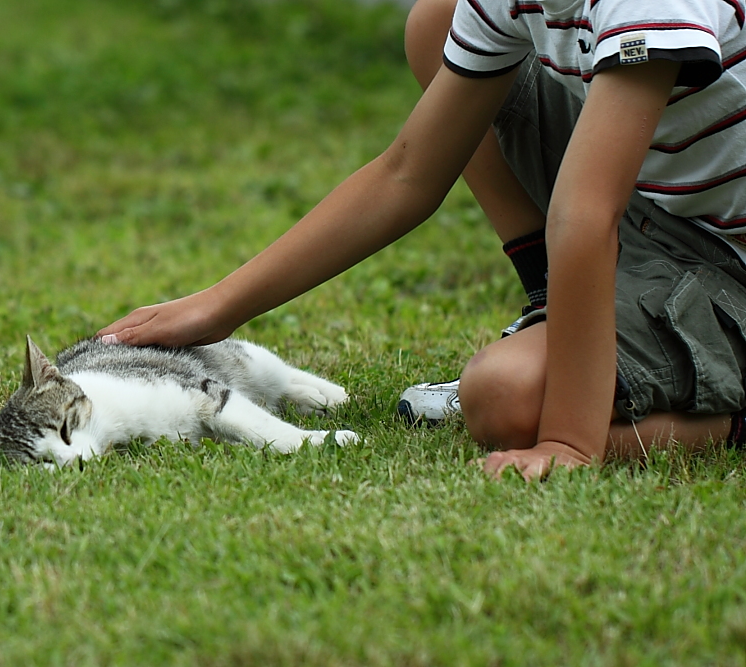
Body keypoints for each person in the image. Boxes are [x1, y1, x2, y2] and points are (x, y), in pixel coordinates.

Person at [99, 0, 746, 480]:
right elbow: (408, 171)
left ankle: (729, 415)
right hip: (651, 207)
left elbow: (585, 215)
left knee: (506, 398)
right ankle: (556, 303)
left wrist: (569, 442)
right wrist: (220, 305)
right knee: (437, 24)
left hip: (724, 263)